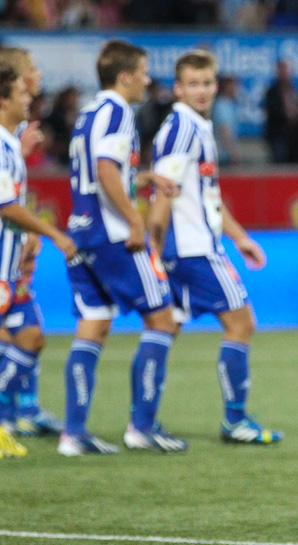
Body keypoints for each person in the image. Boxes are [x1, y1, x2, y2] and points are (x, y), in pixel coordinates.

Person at [149, 49, 282, 445]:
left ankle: (142, 422)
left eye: (207, 83)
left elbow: (208, 196)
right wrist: (153, 243)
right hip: (193, 249)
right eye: (193, 83)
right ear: (178, 88)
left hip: (188, 245)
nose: (202, 90)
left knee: (164, 329)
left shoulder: (195, 126)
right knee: (241, 324)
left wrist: (239, 237)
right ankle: (235, 421)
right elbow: (163, 191)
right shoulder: (183, 129)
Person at [60, 39, 186, 456]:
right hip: (115, 236)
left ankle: (73, 434)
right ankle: (142, 426)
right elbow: (105, 170)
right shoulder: (117, 111)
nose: (148, 80)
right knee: (162, 319)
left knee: (92, 326)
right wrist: (135, 220)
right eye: (144, 72)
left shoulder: (90, 112)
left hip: (81, 231)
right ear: (126, 76)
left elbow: (95, 171)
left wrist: (144, 178)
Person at [0, 64, 78, 458]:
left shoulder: (11, 146)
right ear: (3, 99)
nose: (29, 97)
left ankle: (8, 419)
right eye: (21, 92)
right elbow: (6, 206)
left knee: (30, 338)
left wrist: (27, 238)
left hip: (9, 267)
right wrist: (54, 233)